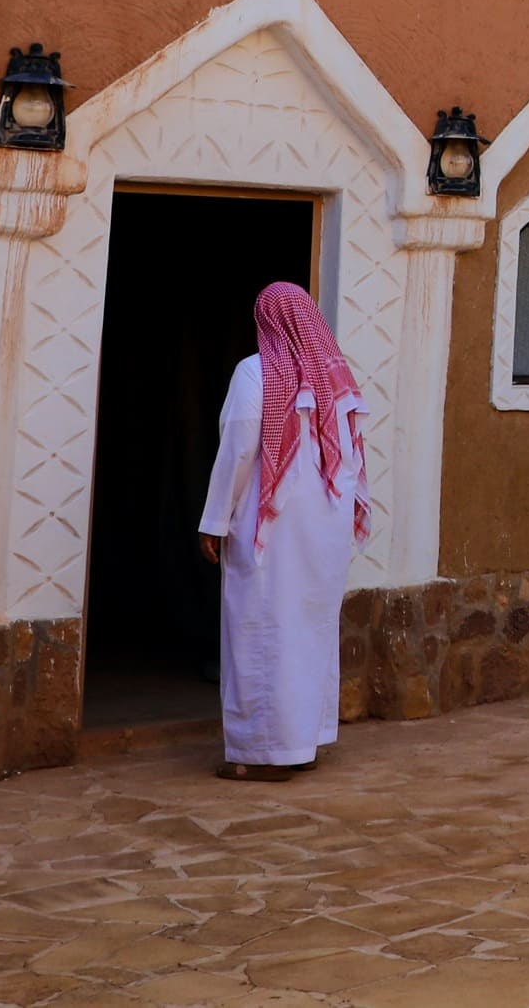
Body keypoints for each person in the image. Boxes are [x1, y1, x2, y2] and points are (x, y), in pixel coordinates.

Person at [194, 281, 368, 781]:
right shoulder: (339, 377)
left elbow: (241, 447)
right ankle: (303, 742)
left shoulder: (256, 372)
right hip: (326, 528)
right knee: (308, 631)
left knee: (262, 630)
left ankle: (262, 756)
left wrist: (215, 519)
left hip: (270, 524)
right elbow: (354, 457)